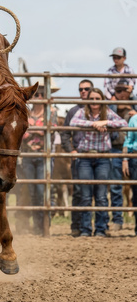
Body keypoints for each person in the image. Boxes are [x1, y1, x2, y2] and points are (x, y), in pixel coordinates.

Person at [70, 88, 127, 237]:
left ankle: (101, 228)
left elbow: (124, 123)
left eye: (97, 99)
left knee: (101, 195)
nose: (95, 102)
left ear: (102, 100)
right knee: (86, 195)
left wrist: (105, 122)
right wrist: (92, 124)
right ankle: (86, 229)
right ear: (88, 100)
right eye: (92, 99)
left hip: (102, 157)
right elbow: (73, 121)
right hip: (85, 157)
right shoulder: (83, 112)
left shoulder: (107, 113)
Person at [17, 79, 59, 235]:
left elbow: (50, 130)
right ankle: (37, 226)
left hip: (43, 155)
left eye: (42, 93)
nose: (39, 96)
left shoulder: (52, 112)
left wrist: (31, 132)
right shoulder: (26, 111)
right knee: (33, 191)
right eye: (36, 93)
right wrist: (37, 132)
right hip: (28, 155)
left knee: (42, 191)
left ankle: (44, 225)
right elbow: (21, 132)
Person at [61, 79, 94, 237]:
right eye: (81, 89)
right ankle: (76, 225)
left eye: (86, 89)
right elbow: (65, 134)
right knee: (79, 192)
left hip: (96, 154)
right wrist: (71, 150)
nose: (83, 91)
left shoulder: (99, 109)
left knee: (97, 192)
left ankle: (97, 226)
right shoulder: (73, 111)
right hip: (79, 157)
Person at [108, 80, 137, 231]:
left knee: (134, 186)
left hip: (132, 150)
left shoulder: (134, 106)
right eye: (117, 91)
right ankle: (117, 220)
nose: (121, 93)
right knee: (115, 186)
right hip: (115, 148)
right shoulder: (111, 108)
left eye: (124, 90)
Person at [122, 113, 137, 236]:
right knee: (136, 193)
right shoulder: (134, 119)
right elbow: (128, 140)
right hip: (135, 157)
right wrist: (125, 159)